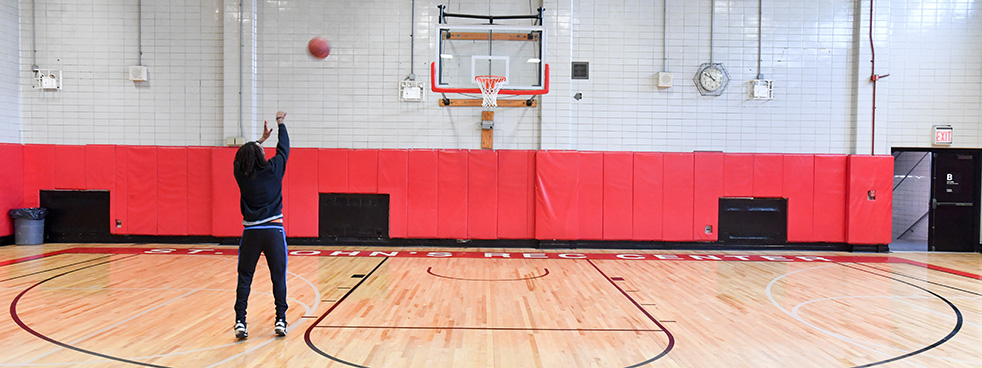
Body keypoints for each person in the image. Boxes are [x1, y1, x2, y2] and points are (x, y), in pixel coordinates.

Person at [232, 111, 290, 339]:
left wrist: (259, 141)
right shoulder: (274, 169)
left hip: (251, 234)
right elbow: (284, 148)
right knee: (278, 277)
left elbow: (240, 158)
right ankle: (281, 320)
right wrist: (280, 125)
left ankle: (240, 322)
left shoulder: (241, 174)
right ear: (260, 156)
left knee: (245, 277)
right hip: (274, 232)